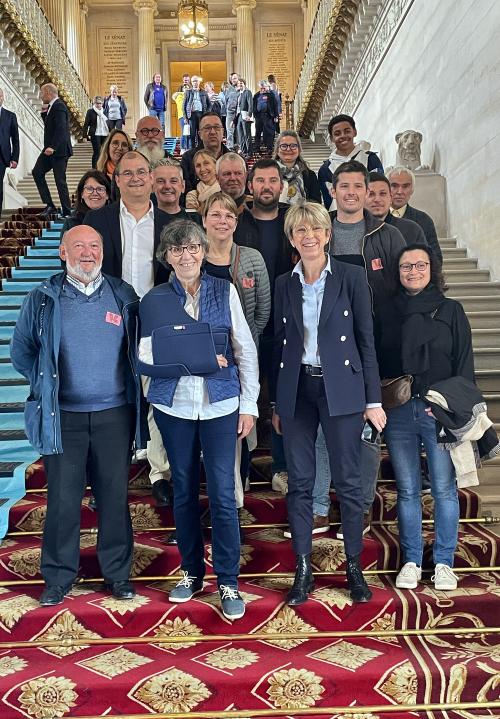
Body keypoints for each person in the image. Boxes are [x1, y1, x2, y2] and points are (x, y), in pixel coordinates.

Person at [10, 225, 144, 606]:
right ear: (63, 253)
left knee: (115, 498)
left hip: (114, 415)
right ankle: (57, 577)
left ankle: (117, 575)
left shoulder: (123, 295)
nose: (88, 253)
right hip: (62, 416)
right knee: (64, 500)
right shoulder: (41, 299)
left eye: (95, 246)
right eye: (79, 246)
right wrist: (47, 383)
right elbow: (22, 352)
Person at [138, 219, 259, 619]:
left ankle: (227, 580)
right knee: (185, 490)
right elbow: (145, 357)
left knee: (224, 495)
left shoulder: (223, 291)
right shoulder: (154, 299)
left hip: (222, 405)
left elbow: (244, 350)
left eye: (192, 248)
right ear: (167, 257)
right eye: (177, 250)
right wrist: (198, 360)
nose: (185, 256)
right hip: (174, 407)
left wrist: (250, 405)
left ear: (204, 251)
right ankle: (191, 572)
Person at [271, 201, 385, 605]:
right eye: (300, 231)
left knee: (350, 481)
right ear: (292, 239)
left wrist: (373, 398)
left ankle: (352, 565)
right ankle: (303, 569)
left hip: (343, 389)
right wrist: (276, 402)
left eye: (315, 230)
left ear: (327, 234)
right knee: (300, 482)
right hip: (298, 390)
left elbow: (366, 341)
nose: (309, 237)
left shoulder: (352, 277)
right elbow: (277, 346)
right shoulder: (285, 282)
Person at [310, 160, 406, 537]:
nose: (350, 193)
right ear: (333, 191)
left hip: (373, 348)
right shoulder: (320, 230)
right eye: (343, 186)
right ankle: (318, 506)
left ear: (368, 192)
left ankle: (360, 507)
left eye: (357, 187)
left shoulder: (388, 234)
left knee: (367, 431)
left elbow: (400, 294)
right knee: (321, 429)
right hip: (326, 349)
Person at [375, 244, 474, 591]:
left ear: (433, 268)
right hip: (400, 412)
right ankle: (412, 561)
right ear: (397, 272)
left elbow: (464, 365)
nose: (413, 271)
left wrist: (451, 407)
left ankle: (444, 562)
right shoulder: (387, 312)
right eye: (405, 266)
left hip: (439, 414)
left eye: (420, 265)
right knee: (407, 490)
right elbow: (378, 360)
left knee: (445, 489)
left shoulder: (451, 311)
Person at [83, 150, 171, 507]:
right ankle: (109, 473)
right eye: (127, 173)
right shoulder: (96, 220)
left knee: (158, 395)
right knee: (112, 398)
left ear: (151, 179)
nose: (135, 178)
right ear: (116, 180)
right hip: (110, 321)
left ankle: (160, 473)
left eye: (141, 172)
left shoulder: (169, 222)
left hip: (157, 321)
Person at [203, 191, 270, 507]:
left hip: (241, 359)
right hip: (201, 359)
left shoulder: (252, 258)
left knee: (239, 428)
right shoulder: (194, 257)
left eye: (229, 215)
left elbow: (262, 312)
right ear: (204, 220)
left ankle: (237, 497)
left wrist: (244, 344)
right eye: (215, 214)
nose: (222, 220)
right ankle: (209, 496)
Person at [247, 159, 295, 493]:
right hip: (247, 322)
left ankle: (281, 466)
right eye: (260, 180)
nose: (266, 186)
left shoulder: (295, 221)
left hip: (288, 323)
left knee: (282, 396)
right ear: (251, 186)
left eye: (272, 180)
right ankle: (241, 467)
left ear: (281, 185)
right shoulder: (236, 222)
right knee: (244, 396)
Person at [318, 114, 383, 210]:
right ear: (331, 138)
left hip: (371, 215)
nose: (343, 136)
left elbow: (379, 189)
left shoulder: (370, 159)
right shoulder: (325, 169)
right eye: (337, 133)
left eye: (347, 131)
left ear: (354, 132)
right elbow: (329, 202)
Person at [32, 84, 72, 219]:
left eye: (42, 93)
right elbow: (51, 127)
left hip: (59, 150)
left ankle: (67, 212)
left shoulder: (59, 106)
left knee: (60, 180)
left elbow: (61, 128)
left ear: (48, 92)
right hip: (50, 150)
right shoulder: (51, 107)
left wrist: (53, 147)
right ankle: (50, 205)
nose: (40, 96)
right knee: (37, 172)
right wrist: (44, 114)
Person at [388, 166, 442, 262]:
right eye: (394, 186)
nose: (400, 192)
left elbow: (436, 258)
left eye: (405, 186)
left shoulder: (424, 220)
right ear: (386, 189)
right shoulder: (375, 218)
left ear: (412, 190)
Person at [365, 172, 428, 246]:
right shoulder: (351, 231)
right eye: (371, 194)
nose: (377, 199)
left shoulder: (412, 230)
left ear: (390, 198)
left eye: (383, 194)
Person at [216, 153, 260, 250]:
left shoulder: (258, 209)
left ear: (245, 176)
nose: (233, 178)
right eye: (227, 174)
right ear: (217, 178)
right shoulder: (208, 210)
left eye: (238, 173)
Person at [181, 112, 229, 193]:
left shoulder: (233, 159)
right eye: (207, 128)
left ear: (223, 131)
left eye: (217, 127)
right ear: (200, 134)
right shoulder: (188, 159)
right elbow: (185, 190)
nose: (213, 132)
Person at [273, 130, 322, 204]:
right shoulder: (269, 174)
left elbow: (316, 204)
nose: (288, 149)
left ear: (299, 150)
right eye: (284, 146)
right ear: (277, 150)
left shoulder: (309, 175)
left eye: (293, 146)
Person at [0, 87, 19, 215]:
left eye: (0, 95)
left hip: (2, 157)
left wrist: (15, 158)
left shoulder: (10, 116)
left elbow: (16, 140)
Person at [183, 76, 210, 149]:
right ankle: (192, 150)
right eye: (194, 81)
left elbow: (209, 104)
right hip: (191, 114)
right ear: (191, 83)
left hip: (201, 114)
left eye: (196, 81)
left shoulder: (204, 92)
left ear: (199, 82)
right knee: (192, 134)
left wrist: (206, 114)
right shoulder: (188, 92)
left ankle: (200, 149)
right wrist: (185, 117)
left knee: (200, 133)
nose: (195, 83)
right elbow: (184, 105)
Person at [253, 81, 278, 156]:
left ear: (267, 87)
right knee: (258, 132)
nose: (262, 89)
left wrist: (276, 116)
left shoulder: (271, 95)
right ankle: (257, 147)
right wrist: (254, 114)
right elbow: (254, 105)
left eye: (264, 87)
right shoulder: (257, 95)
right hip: (259, 116)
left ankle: (269, 148)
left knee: (269, 133)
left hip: (268, 116)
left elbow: (275, 106)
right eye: (261, 87)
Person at [83, 96, 109, 168]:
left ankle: (103, 167)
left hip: (105, 133)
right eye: (97, 103)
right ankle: (94, 168)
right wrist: (84, 136)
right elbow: (86, 124)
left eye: (100, 103)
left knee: (105, 152)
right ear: (94, 103)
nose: (99, 105)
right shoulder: (90, 111)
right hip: (95, 134)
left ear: (102, 103)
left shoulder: (105, 111)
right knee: (97, 152)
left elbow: (109, 123)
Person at [235, 78, 253, 159]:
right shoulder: (238, 93)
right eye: (239, 83)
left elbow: (250, 105)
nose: (240, 84)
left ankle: (249, 153)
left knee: (247, 135)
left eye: (241, 83)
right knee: (241, 135)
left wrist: (249, 115)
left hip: (245, 115)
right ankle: (244, 151)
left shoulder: (247, 92)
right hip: (239, 116)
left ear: (244, 84)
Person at [172, 84, 190, 152]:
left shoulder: (189, 96)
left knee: (188, 133)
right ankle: (182, 148)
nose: (186, 89)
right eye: (185, 88)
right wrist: (182, 93)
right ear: (182, 89)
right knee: (184, 132)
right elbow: (181, 106)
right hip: (182, 116)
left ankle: (187, 148)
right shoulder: (179, 96)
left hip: (189, 116)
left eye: (188, 88)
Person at [224, 72, 240, 150]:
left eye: (235, 78)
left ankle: (238, 146)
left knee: (238, 131)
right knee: (229, 130)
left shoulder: (242, 88)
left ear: (238, 79)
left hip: (239, 113)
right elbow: (226, 100)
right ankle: (230, 147)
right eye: (232, 79)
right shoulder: (229, 89)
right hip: (230, 113)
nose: (233, 80)